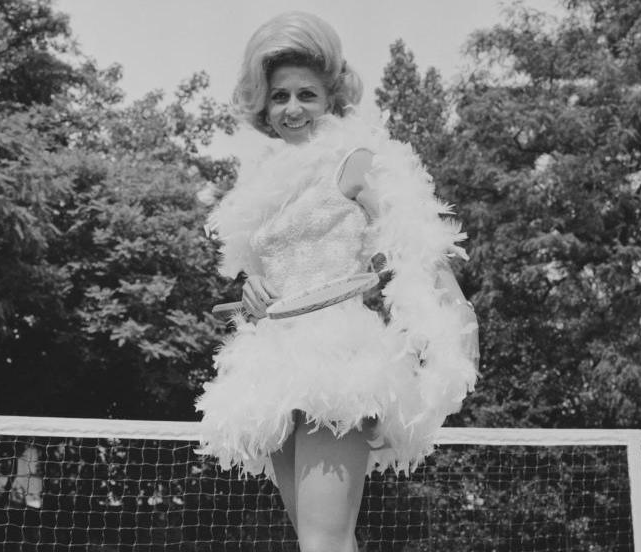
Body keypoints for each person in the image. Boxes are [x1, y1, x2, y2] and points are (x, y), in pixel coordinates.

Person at [196, 11, 478, 552]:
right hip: (274, 362)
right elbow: (260, 268)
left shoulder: (353, 162)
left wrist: (454, 313)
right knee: (316, 539)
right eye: (280, 97)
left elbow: (412, 231)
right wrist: (251, 290)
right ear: (263, 103)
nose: (293, 109)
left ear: (332, 99)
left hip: (338, 359)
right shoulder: (260, 186)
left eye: (307, 94)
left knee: (324, 541)